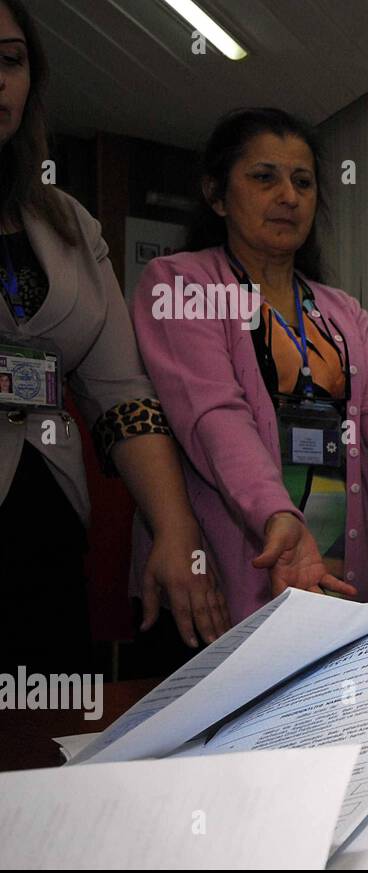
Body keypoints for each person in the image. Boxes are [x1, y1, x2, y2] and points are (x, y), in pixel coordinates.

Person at [130, 109, 368, 622]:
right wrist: (275, 512)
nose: (289, 197)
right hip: (231, 571)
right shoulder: (183, 285)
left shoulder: (340, 309)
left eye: (302, 181)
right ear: (215, 194)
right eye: (263, 177)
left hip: (336, 575)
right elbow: (214, 415)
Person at [0, 0, 228, 673]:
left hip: (45, 523)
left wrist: (175, 526)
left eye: (10, 61)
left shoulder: (66, 220)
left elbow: (122, 394)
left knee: (42, 745)